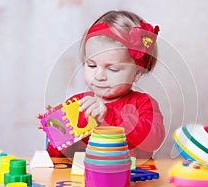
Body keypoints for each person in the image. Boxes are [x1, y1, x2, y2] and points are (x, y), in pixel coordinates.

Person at [37, 10, 165, 159]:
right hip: (82, 180)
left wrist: (108, 115)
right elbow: (57, 158)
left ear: (137, 73)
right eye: (91, 65)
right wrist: (57, 132)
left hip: (131, 178)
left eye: (113, 69)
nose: (99, 76)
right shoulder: (79, 104)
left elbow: (153, 140)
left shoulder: (143, 103)